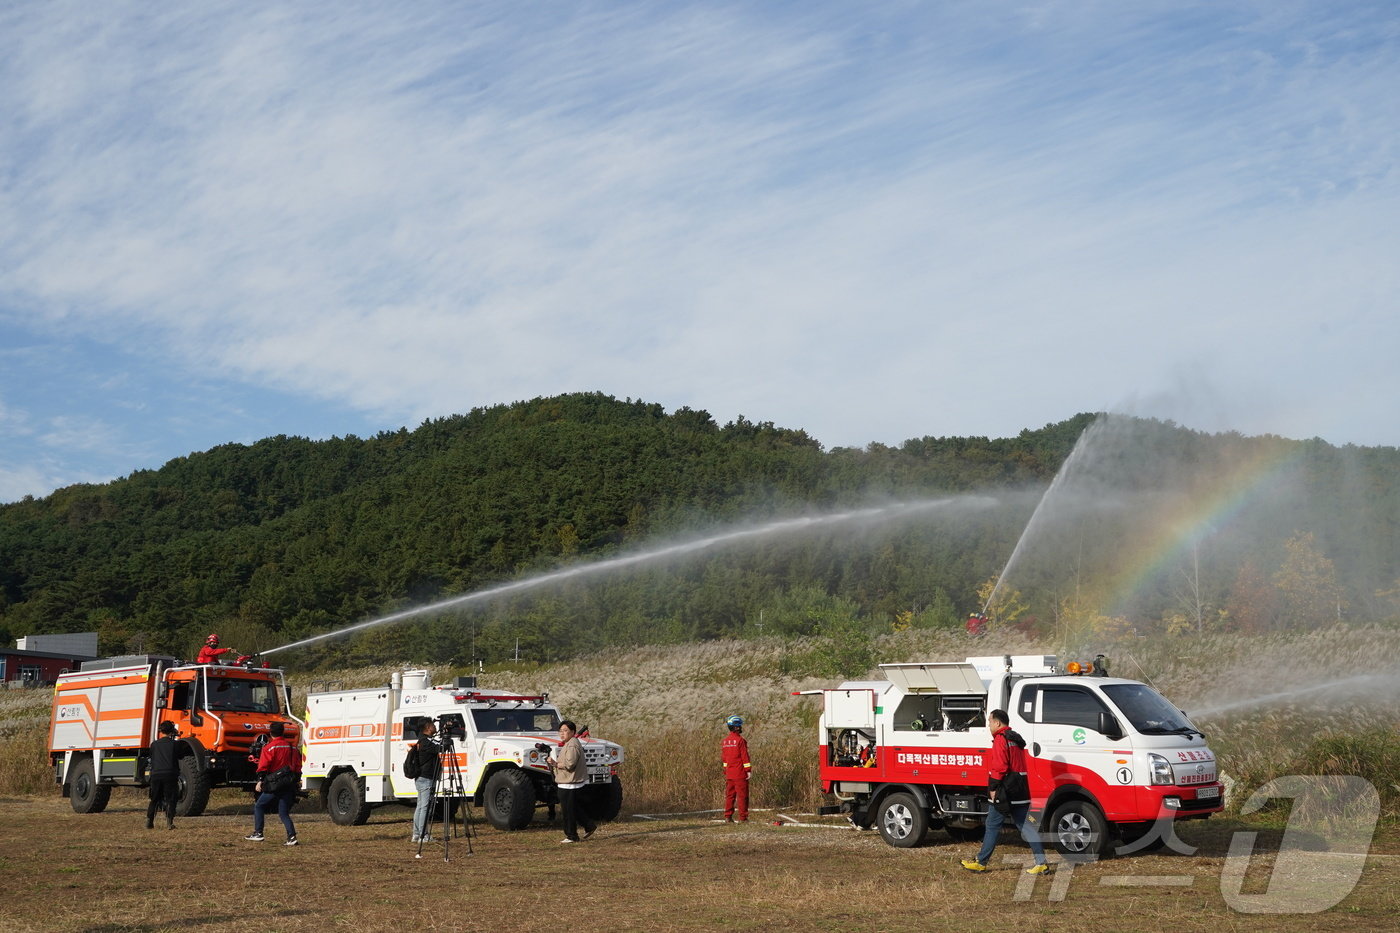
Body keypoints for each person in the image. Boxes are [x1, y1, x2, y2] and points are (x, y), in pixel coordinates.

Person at [961, 709, 1049, 874]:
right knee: (1027, 827)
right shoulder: (1015, 738)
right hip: (1020, 789)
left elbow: (1000, 766)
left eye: (989, 721)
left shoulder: (1001, 739)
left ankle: (981, 862)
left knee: (992, 825)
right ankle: (1041, 862)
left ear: (998, 723)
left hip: (1006, 790)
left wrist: (993, 787)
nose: (988, 725)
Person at [245, 721, 301, 846]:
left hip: (274, 784)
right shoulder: (292, 747)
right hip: (288, 783)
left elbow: (263, 766)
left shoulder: (269, 747)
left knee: (259, 806)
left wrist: (260, 781)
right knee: (283, 813)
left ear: (270, 733)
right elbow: (297, 766)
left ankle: (258, 833)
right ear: (283, 732)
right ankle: (292, 837)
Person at [547, 720, 596, 844]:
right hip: (569, 782)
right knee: (573, 809)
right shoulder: (570, 743)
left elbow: (570, 764)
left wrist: (555, 764)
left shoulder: (572, 745)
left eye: (565, 731)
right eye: (560, 731)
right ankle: (589, 826)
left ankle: (572, 835)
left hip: (570, 783)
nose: (562, 734)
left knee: (568, 811)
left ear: (573, 732)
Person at [411, 718, 441, 844]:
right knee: (425, 807)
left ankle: (417, 834)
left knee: (420, 806)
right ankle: (424, 835)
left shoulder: (422, 741)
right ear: (428, 727)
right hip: (426, 778)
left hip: (421, 778)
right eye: (433, 725)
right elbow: (440, 748)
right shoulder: (426, 742)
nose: (435, 727)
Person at [146, 721, 179, 830]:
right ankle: (169, 822)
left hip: (156, 775)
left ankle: (149, 821)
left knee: (154, 799)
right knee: (171, 799)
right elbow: (180, 755)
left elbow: (151, 757)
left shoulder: (154, 744)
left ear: (161, 731)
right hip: (170, 774)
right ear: (172, 731)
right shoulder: (174, 744)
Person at [721, 714, 751, 823]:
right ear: (737, 727)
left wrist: (726, 770)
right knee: (742, 796)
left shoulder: (725, 741)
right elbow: (745, 757)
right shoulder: (740, 741)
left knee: (730, 796)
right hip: (740, 773)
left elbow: (724, 758)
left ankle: (728, 817)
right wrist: (748, 770)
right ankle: (743, 818)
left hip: (729, 774)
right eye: (740, 725)